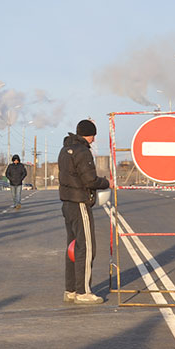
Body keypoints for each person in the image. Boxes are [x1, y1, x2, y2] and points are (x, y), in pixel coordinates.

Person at [58, 119, 112, 304]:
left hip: (67, 203)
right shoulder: (83, 151)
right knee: (86, 247)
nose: (94, 139)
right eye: (93, 135)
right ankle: (84, 292)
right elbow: (90, 180)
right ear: (88, 134)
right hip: (80, 202)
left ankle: (71, 289)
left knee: (72, 247)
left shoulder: (65, 150)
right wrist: (106, 183)